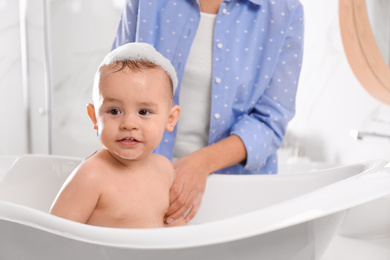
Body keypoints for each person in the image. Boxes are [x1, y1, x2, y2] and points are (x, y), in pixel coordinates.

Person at [112, 0, 304, 225]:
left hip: (235, 194)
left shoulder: (283, 10)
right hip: (139, 181)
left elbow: (271, 121)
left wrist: (200, 164)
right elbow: (112, 90)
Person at [50, 42, 184, 228]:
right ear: (94, 116)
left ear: (170, 119)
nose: (129, 124)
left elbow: (176, 227)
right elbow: (54, 237)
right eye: (114, 111)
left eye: (144, 112)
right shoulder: (92, 175)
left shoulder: (165, 169)